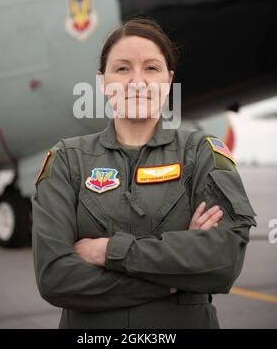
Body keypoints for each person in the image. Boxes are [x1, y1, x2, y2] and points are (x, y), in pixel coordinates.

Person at [32, 16, 257, 329]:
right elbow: (55, 277)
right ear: (102, 82)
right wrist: (173, 279)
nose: (137, 82)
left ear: (168, 80)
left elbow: (224, 259)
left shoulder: (201, 152)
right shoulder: (68, 159)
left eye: (151, 68)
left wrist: (108, 250)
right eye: (122, 68)